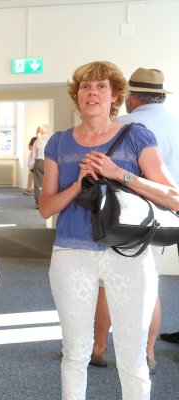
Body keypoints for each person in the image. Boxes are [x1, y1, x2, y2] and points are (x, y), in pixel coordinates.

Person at [39, 61, 179, 400]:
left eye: (101, 86)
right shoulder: (58, 143)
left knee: (132, 358)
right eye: (85, 86)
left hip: (128, 253)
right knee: (75, 353)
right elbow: (46, 208)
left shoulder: (136, 136)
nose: (92, 93)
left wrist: (119, 173)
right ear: (76, 94)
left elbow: (172, 197)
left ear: (115, 95)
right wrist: (79, 185)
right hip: (72, 253)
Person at [90, 67, 179, 374]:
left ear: (132, 97)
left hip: (123, 216)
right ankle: (149, 352)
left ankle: (99, 349)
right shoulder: (176, 125)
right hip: (163, 218)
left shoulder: (124, 126)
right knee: (149, 285)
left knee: (107, 285)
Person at [28, 125, 49, 209]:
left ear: (41, 132)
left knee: (38, 183)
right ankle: (48, 201)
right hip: (49, 162)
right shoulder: (51, 140)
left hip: (39, 162)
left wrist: (31, 166)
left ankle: (39, 202)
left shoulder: (38, 141)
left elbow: (32, 154)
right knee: (49, 182)